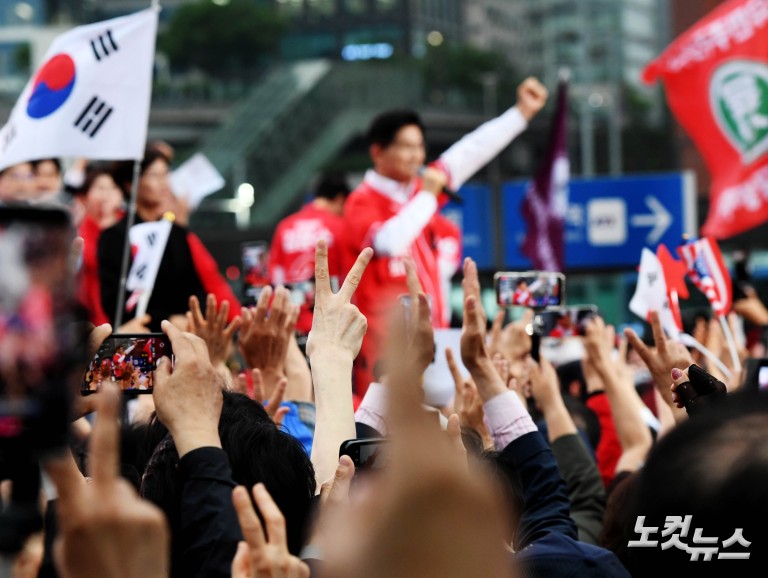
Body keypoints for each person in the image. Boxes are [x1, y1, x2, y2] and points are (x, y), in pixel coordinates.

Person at [342, 77, 548, 392]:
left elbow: (471, 150)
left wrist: (521, 113)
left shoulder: (419, 189)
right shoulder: (363, 200)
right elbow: (387, 242)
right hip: (384, 351)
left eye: (419, 146)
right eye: (406, 147)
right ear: (378, 152)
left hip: (433, 341)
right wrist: (428, 195)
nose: (416, 156)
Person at [98, 145, 240, 331]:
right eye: (155, 175)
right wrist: (167, 320)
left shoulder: (177, 233)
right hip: (143, 336)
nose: (164, 182)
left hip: (185, 333)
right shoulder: (115, 238)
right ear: (131, 183)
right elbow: (116, 302)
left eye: (165, 173)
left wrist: (193, 318)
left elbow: (196, 288)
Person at [268, 172, 351, 335]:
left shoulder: (285, 227)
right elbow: (349, 275)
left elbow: (275, 277)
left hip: (291, 324)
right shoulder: (340, 226)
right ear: (340, 199)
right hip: (330, 325)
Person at [74, 164, 125, 325]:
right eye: (100, 188)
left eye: (113, 187)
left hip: (124, 311)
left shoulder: (130, 225)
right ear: (85, 196)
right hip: (90, 313)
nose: (107, 194)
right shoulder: (78, 229)